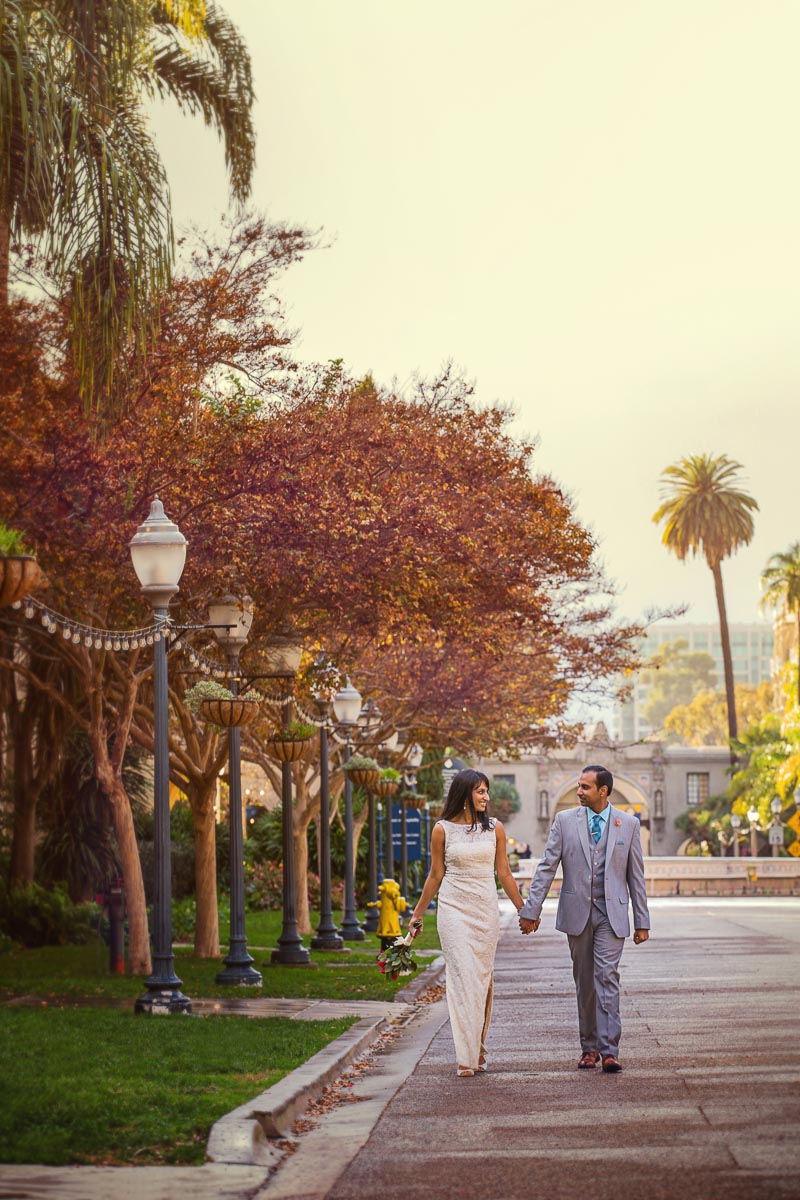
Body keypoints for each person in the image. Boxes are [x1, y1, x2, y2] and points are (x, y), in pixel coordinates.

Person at [518, 764, 650, 1073]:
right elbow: (547, 867)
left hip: (611, 913)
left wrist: (642, 921)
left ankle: (609, 1051)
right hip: (577, 913)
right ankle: (588, 1047)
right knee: (585, 983)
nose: (579, 791)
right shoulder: (564, 822)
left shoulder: (627, 824)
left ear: (603, 791)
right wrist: (530, 910)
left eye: (585, 787)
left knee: (607, 977)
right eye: (579, 786)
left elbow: (636, 877)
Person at [409, 768, 525, 1077]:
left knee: (480, 980)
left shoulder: (495, 829)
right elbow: (435, 875)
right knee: (460, 978)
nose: (487, 796)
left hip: (485, 911)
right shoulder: (441, 830)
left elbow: (504, 873)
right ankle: (465, 1056)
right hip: (453, 909)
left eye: (487, 791)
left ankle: (478, 1046)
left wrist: (523, 910)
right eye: (480, 791)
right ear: (464, 795)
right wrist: (418, 914)